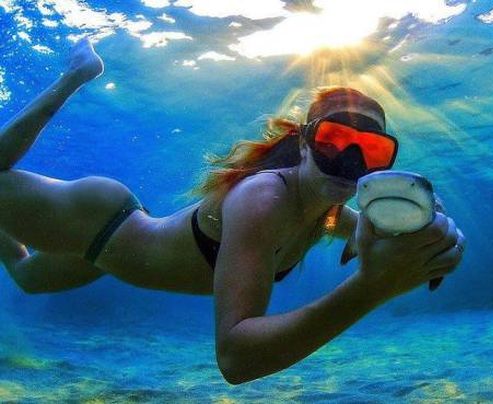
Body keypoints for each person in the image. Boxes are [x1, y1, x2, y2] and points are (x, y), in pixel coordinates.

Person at [0, 38, 465, 384]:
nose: (350, 162)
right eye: (334, 141)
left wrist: (424, 234)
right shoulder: (264, 199)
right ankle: (76, 75)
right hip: (101, 224)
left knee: (25, 276)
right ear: (304, 143)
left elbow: (376, 229)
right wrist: (371, 287)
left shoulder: (326, 208)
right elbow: (236, 359)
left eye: (371, 150)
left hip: (107, 256)